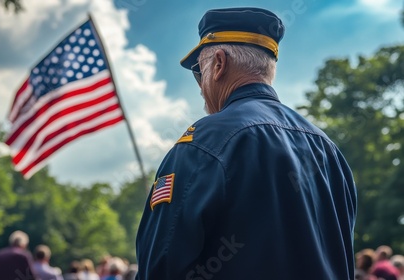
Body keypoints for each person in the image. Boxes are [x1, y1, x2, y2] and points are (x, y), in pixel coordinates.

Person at [135, 7, 358, 280]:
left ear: (218, 64)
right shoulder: (328, 149)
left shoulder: (204, 140)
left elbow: (160, 267)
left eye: (198, 70)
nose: (199, 86)